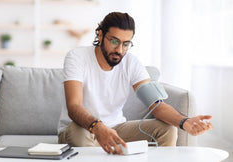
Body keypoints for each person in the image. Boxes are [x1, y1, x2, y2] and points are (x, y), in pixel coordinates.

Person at [58, 12, 213, 155]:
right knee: (81, 132)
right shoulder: (77, 57)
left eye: (126, 44)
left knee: (167, 129)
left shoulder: (131, 63)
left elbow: (156, 106)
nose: (119, 50)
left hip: (116, 127)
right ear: (100, 34)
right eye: (114, 41)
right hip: (81, 127)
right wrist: (98, 128)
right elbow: (74, 107)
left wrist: (185, 122)